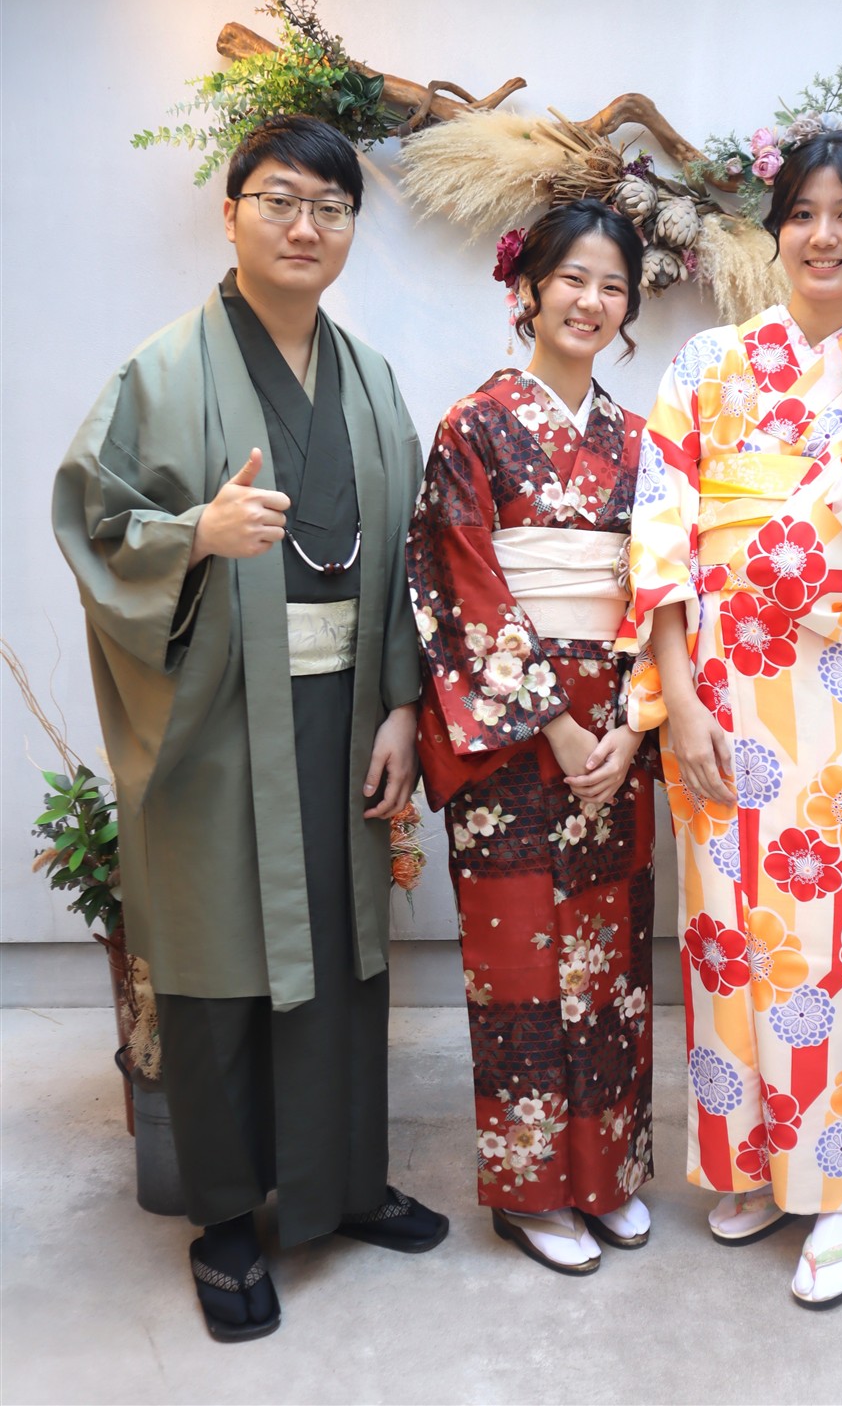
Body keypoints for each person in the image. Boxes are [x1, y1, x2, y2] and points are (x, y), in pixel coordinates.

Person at [53, 114, 448, 1342]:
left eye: (330, 207)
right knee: (222, 962)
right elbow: (94, 526)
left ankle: (343, 1184)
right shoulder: (162, 372)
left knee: (342, 952)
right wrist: (195, 538)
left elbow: (407, 556)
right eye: (278, 199)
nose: (303, 226)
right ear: (231, 214)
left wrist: (401, 703)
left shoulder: (371, 379)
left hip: (346, 711)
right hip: (218, 715)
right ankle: (226, 1221)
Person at [627, 129, 842, 1308]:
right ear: (774, 231)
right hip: (721, 694)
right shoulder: (708, 363)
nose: (824, 236)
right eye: (803, 213)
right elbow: (661, 528)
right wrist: (674, 699)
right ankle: (764, 1167)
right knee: (730, 939)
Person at [407, 200, 657, 1277]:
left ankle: (605, 1178)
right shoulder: (473, 426)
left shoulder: (642, 444)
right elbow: (454, 579)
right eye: (572, 279)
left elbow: (663, 594)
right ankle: (529, 1192)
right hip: (514, 735)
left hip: (613, 735)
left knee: (609, 962)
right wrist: (553, 720)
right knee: (519, 963)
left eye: (612, 285)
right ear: (529, 290)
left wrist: (633, 722)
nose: (590, 301)